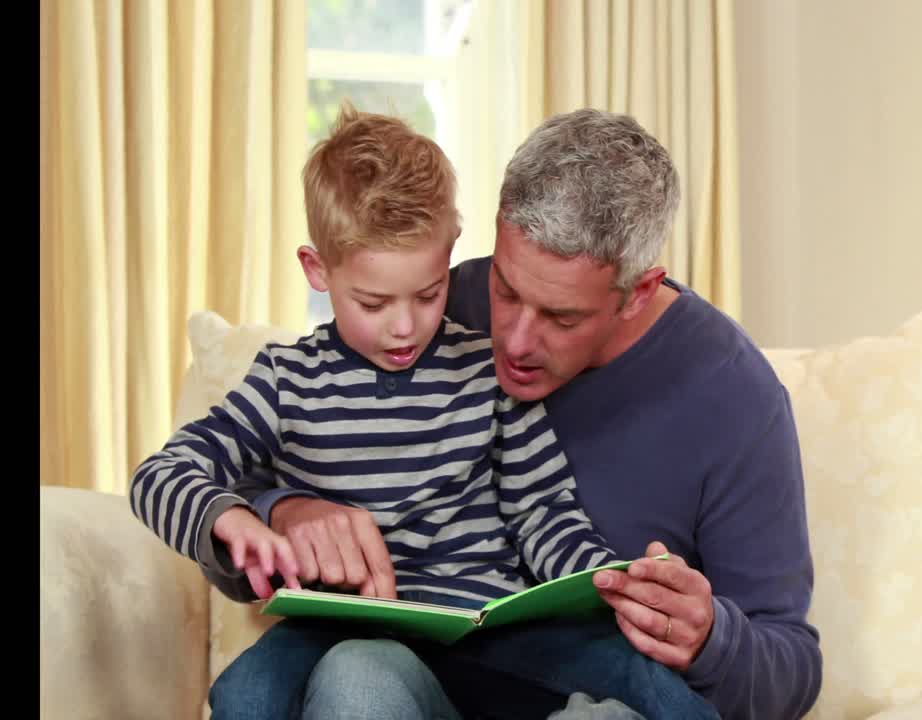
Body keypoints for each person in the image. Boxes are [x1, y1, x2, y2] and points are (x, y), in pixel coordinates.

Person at [234, 108, 822, 720]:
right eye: (507, 290)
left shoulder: (734, 396)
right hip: (414, 682)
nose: (512, 340)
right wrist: (288, 509)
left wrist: (711, 641)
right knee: (356, 675)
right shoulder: (429, 308)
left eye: (562, 317)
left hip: (588, 696)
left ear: (638, 293)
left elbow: (791, 669)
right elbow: (259, 465)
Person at [128, 102, 698, 720]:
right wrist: (227, 517)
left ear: (451, 248)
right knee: (247, 695)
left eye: (428, 294)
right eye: (373, 302)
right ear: (317, 270)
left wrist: (606, 578)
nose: (404, 329)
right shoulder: (285, 380)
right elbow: (158, 476)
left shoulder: (486, 369)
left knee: (648, 685)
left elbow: (543, 513)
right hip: (349, 630)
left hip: (488, 629)